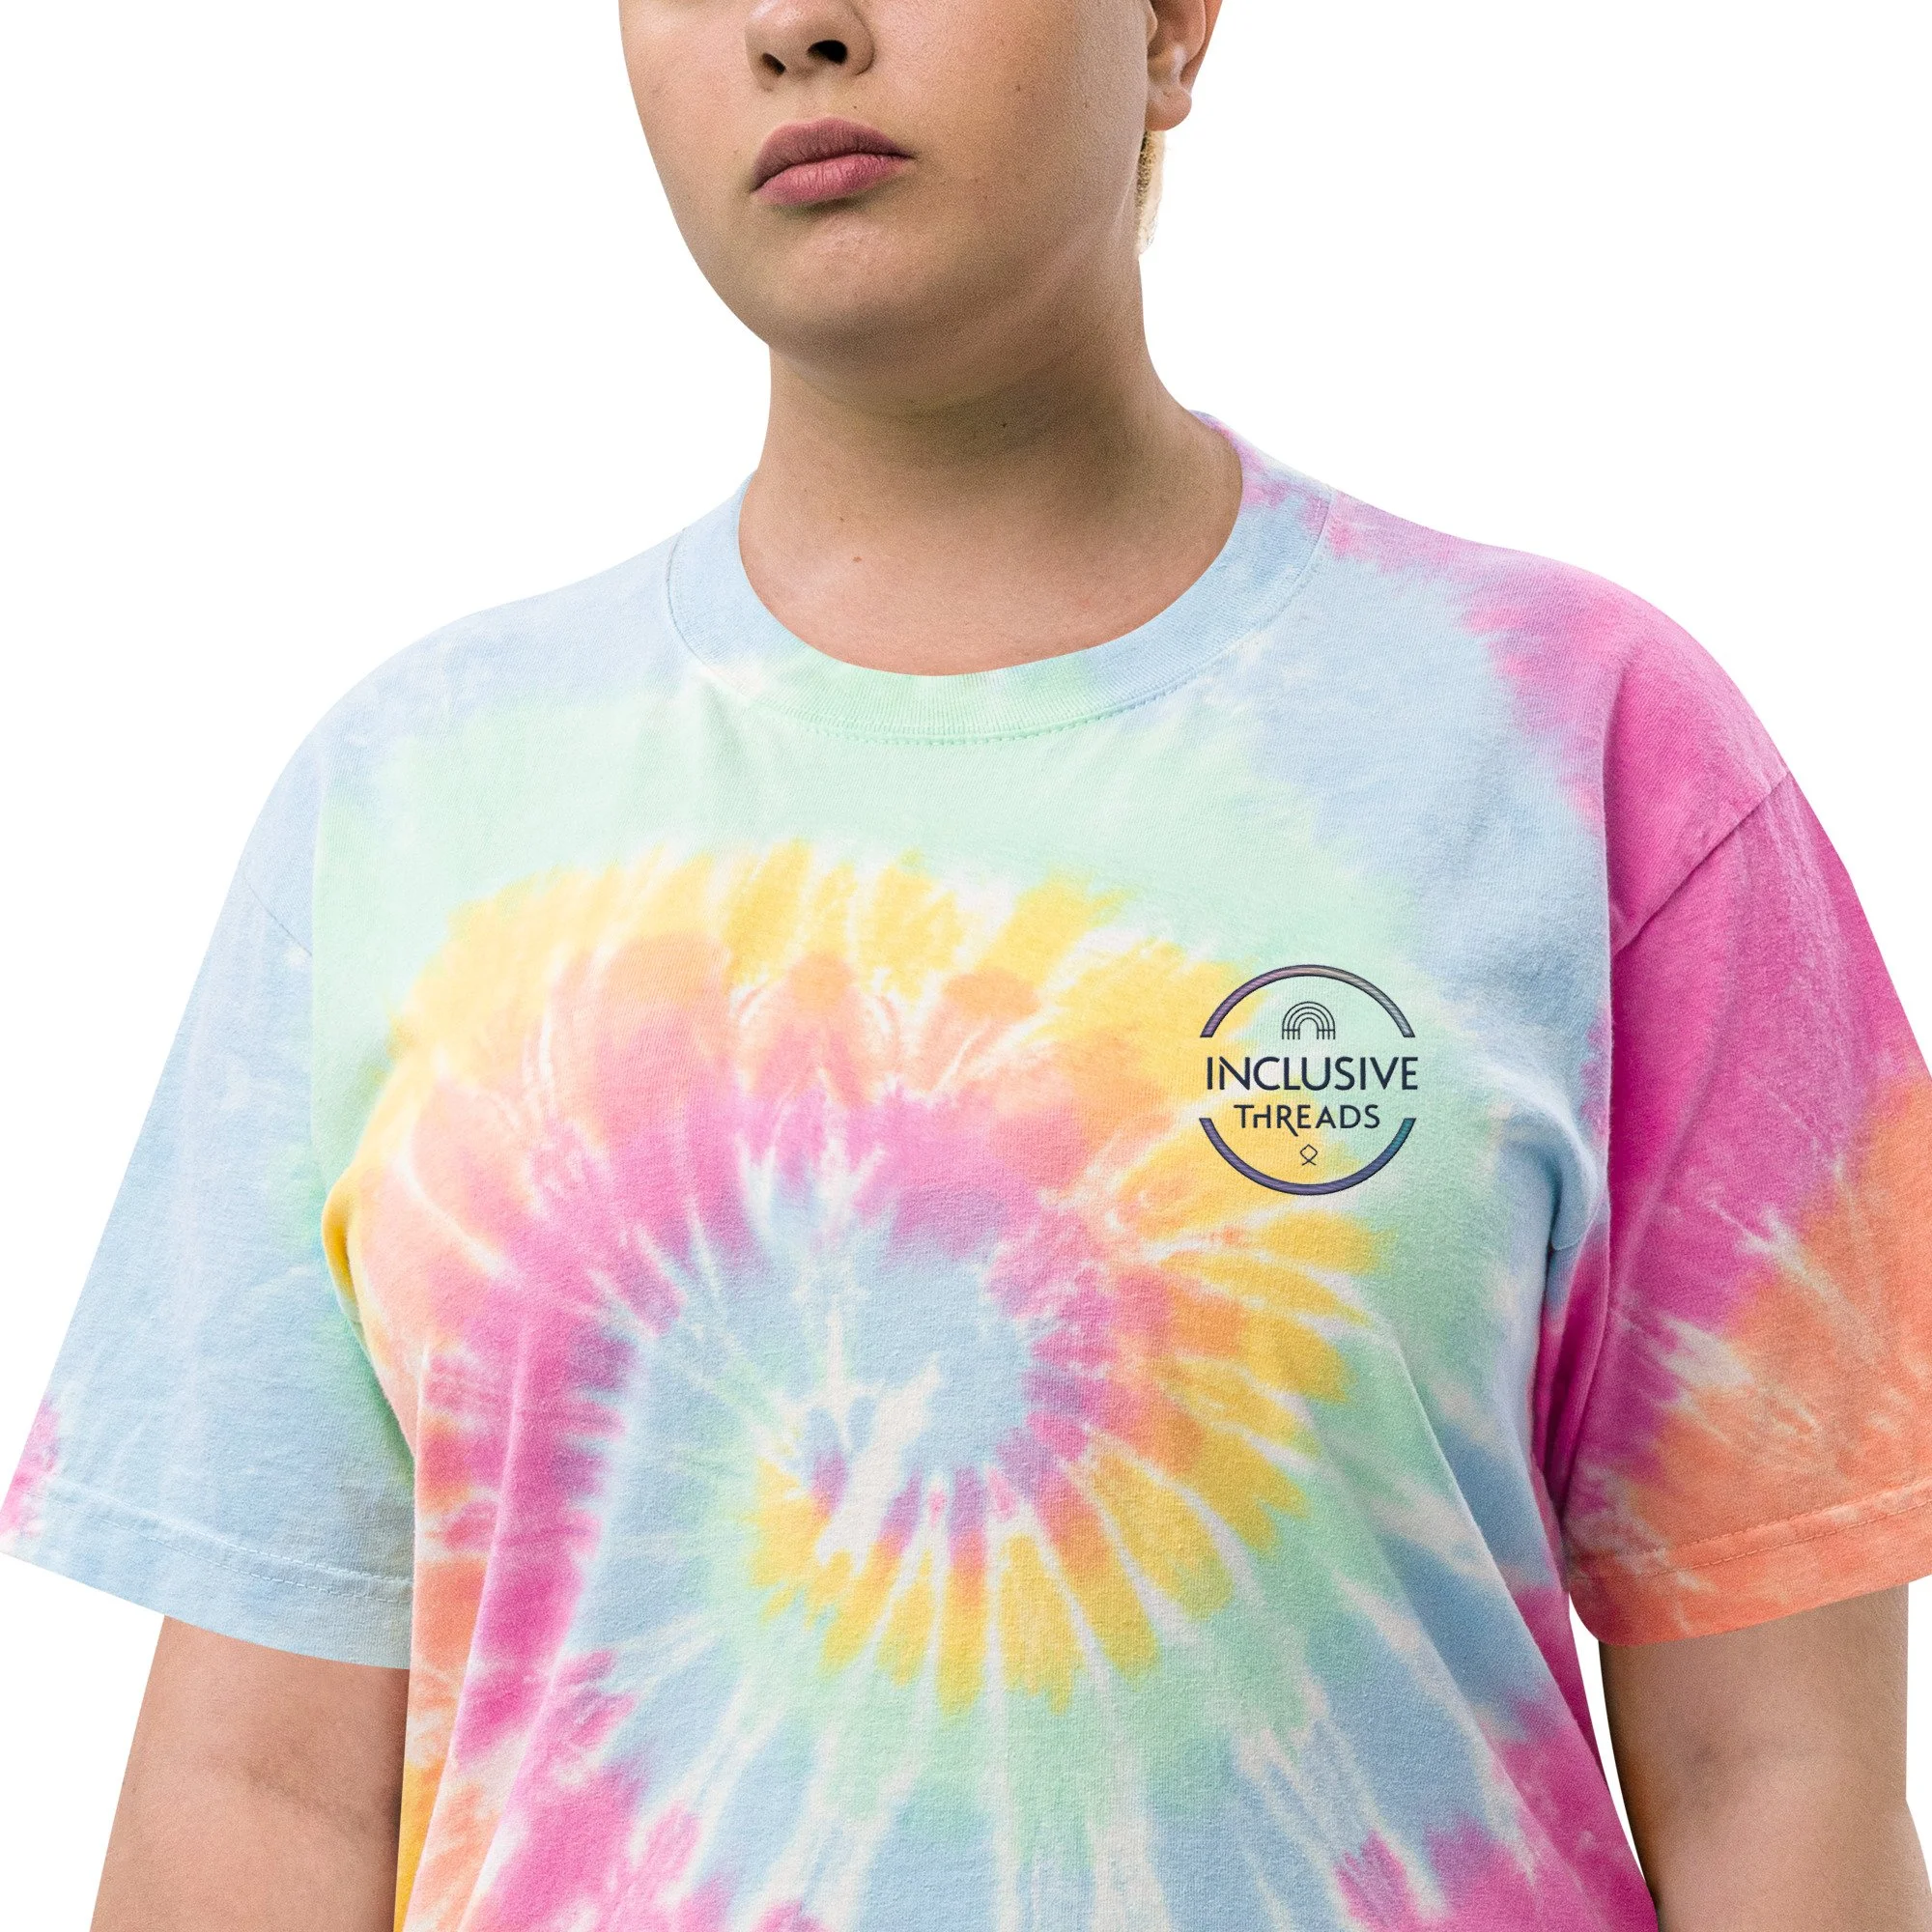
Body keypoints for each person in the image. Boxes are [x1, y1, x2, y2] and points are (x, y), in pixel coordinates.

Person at [5, 0, 1930, 1926]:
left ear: (1170, 29)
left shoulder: (1582, 752)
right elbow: (261, 1784)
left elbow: (1776, 1767)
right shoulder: (409, 805)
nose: (796, 27)